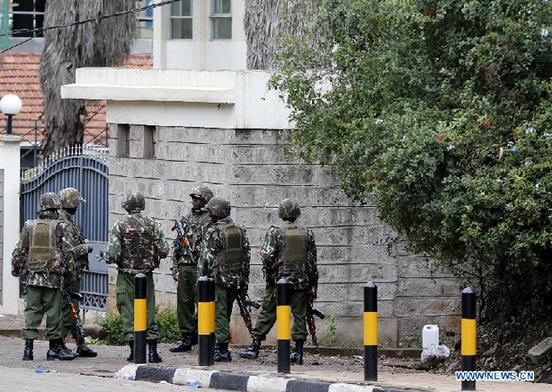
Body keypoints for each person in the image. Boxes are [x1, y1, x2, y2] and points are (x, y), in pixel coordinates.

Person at [239, 199, 318, 365]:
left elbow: (266, 256)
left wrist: (270, 276)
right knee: (299, 316)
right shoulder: (307, 232)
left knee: (268, 312)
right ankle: (298, 352)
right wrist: (312, 286)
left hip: (279, 282)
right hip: (301, 282)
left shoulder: (275, 232)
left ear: (281, 213)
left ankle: (255, 347)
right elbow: (312, 263)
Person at [103, 192, 169, 363]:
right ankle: (153, 352)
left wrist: (106, 256)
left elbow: (113, 254)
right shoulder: (153, 224)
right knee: (149, 310)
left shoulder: (120, 226)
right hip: (146, 276)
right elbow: (164, 250)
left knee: (128, 310)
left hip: (126, 275)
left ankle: (134, 351)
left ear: (126, 205)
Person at [11, 192, 76, 360]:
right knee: (54, 313)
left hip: (33, 277)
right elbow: (68, 254)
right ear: (56, 207)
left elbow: (19, 251)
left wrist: (16, 269)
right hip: (53, 279)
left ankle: (28, 350)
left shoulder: (29, 226)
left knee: (32, 312)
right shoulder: (61, 227)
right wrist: (71, 275)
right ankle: (54, 349)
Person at [200, 197, 250, 362]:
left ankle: (222, 350)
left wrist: (201, 281)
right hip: (236, 278)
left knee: (219, 313)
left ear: (216, 212)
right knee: (226, 312)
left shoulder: (214, 231)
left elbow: (206, 258)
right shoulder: (239, 230)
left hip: (219, 279)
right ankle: (220, 345)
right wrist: (244, 282)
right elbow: (246, 257)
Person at [170, 185, 214, 353]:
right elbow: (178, 243)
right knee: (184, 304)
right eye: (193, 198)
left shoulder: (210, 220)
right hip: (185, 266)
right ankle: (186, 337)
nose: (194, 200)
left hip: (201, 268)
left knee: (203, 303)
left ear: (205, 200)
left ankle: (205, 337)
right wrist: (175, 264)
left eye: (198, 198)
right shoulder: (186, 218)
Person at [58, 187, 97, 357]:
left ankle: (81, 344)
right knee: (68, 310)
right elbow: (69, 252)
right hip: (67, 274)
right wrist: (85, 247)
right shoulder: (64, 224)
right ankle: (60, 344)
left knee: (73, 308)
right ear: (72, 204)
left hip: (72, 272)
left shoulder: (68, 221)